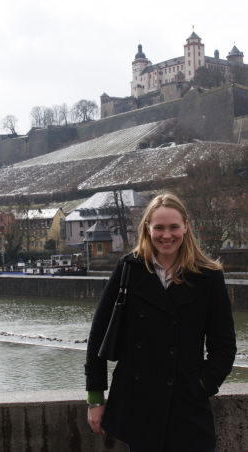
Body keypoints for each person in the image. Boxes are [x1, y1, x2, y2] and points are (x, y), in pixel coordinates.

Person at [85, 192, 236, 452]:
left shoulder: (208, 276)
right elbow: (98, 336)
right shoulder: (128, 269)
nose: (167, 235)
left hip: (188, 404)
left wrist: (203, 385)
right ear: (148, 229)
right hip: (139, 401)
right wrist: (95, 398)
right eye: (160, 228)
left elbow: (224, 344)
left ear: (186, 227)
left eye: (174, 227)